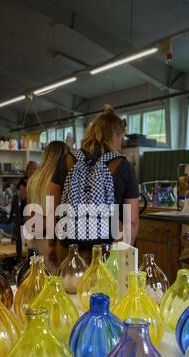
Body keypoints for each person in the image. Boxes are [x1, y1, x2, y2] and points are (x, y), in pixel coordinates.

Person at [49, 105, 139, 268]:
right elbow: (131, 222)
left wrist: (50, 245)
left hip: (70, 249)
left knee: (69, 293)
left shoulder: (66, 161)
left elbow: (52, 209)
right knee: (106, 293)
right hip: (109, 250)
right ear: (117, 135)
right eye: (121, 138)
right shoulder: (124, 166)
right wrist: (124, 258)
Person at [26, 141, 70, 272]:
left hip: (35, 240)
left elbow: (30, 217)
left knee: (38, 282)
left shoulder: (33, 179)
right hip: (54, 242)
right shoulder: (61, 180)